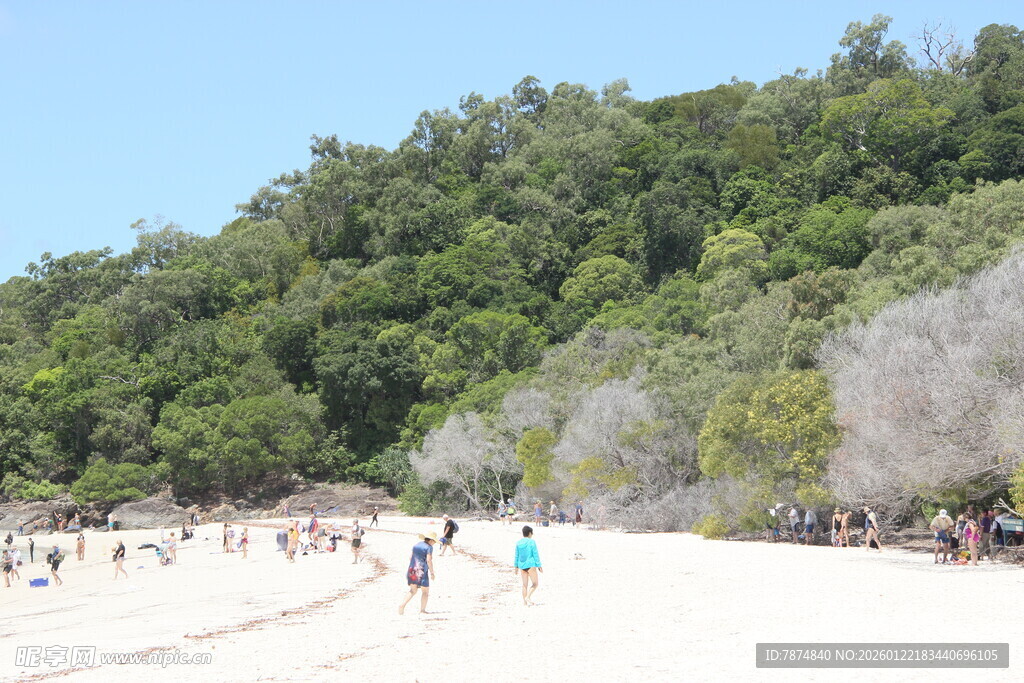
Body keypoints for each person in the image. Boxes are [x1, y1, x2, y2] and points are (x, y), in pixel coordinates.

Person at [399, 532, 436, 615]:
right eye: (434, 541)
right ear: (431, 540)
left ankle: (402, 605)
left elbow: (410, 557)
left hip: (412, 569)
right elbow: (429, 560)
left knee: (413, 590)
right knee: (425, 591)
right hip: (422, 571)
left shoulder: (417, 545)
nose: (434, 543)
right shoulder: (429, 547)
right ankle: (422, 610)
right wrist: (432, 572)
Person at [514, 525, 543, 606]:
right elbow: (535, 554)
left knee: (524, 585)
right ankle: (528, 597)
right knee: (535, 584)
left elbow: (516, 555)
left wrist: (516, 566)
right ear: (530, 533)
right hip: (531, 564)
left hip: (521, 565)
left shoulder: (518, 543)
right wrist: (539, 565)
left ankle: (525, 603)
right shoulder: (532, 542)